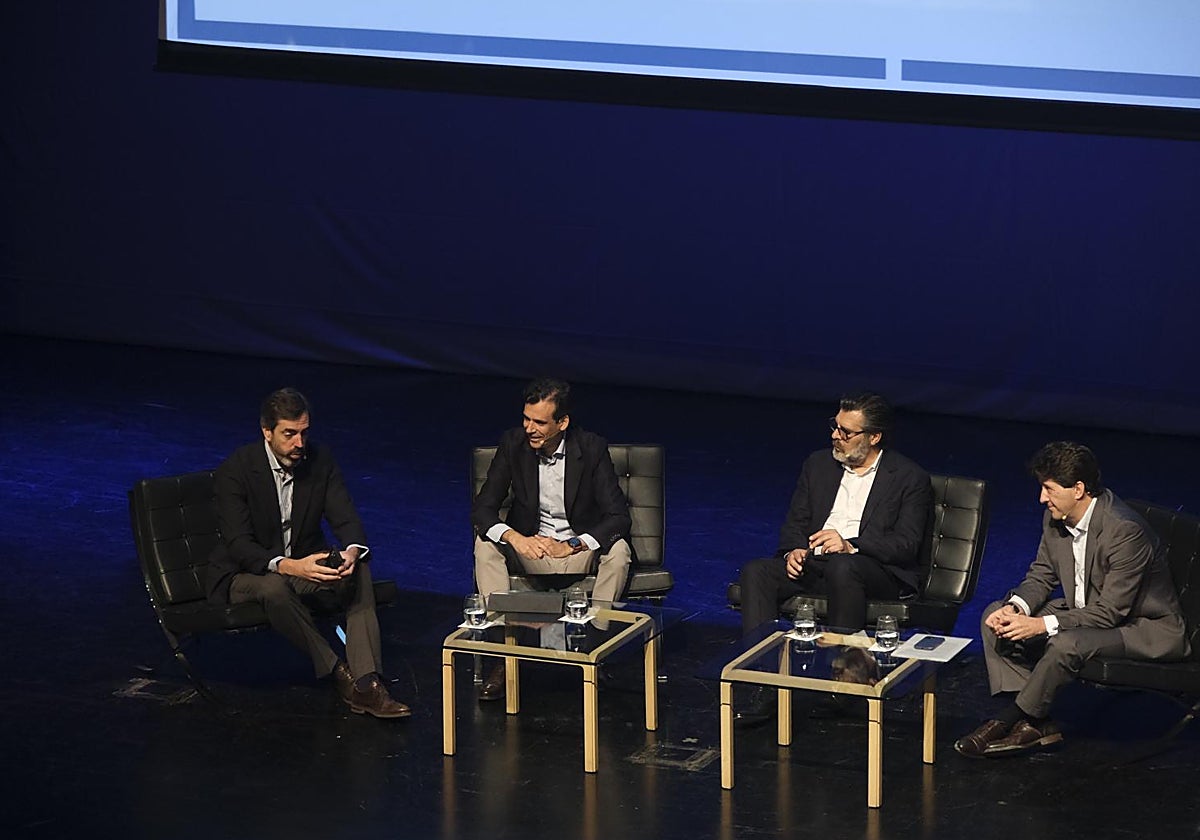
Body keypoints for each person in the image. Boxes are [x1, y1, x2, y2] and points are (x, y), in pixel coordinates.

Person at [955, 441, 1188, 756]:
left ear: (1078, 489)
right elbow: (1042, 575)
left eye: (1049, 489)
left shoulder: (1124, 531)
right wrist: (1016, 608)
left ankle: (1009, 718)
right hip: (1087, 608)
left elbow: (1109, 613)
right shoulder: (1055, 518)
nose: (1042, 498)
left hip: (1141, 626)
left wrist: (1040, 624)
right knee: (994, 615)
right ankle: (1037, 722)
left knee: (1066, 643)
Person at [205, 388, 410, 719]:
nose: (299, 444)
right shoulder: (237, 470)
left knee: (359, 572)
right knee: (274, 586)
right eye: (289, 434)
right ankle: (337, 672)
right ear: (266, 432)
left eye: (304, 433)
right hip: (244, 574)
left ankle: (367, 683)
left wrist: (352, 552)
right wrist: (288, 566)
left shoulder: (319, 460)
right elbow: (239, 546)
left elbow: (345, 517)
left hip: (301, 566)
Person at [735, 393, 931, 725]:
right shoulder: (818, 464)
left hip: (874, 568)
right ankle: (763, 685)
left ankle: (843, 686)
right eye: (835, 427)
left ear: (874, 437)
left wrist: (851, 545)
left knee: (844, 566)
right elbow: (796, 523)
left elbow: (906, 544)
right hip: (819, 562)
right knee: (757, 572)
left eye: (846, 432)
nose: (835, 436)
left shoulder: (909, 477)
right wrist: (792, 551)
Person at [470, 377, 633, 700]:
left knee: (619, 552)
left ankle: (595, 649)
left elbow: (618, 517)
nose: (529, 428)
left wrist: (573, 544)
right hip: (531, 547)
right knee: (485, 545)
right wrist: (516, 538)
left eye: (539, 422)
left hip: (574, 548)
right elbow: (482, 510)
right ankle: (506, 655)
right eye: (526, 418)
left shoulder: (591, 448)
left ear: (563, 422)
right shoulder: (512, 444)